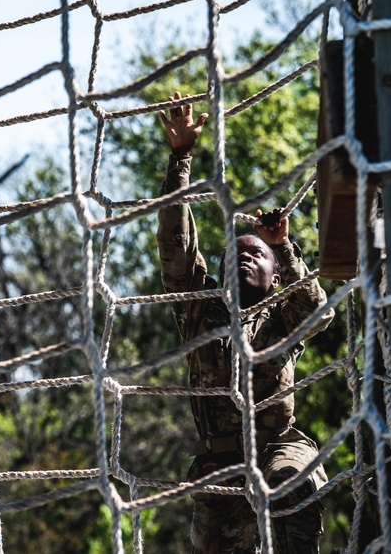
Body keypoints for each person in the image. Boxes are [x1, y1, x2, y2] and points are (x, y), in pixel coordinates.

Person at [155, 92, 334, 553]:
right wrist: (180, 158)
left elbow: (319, 313)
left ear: (275, 278)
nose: (240, 257)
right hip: (219, 464)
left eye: (254, 253)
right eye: (231, 253)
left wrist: (285, 248)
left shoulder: (283, 314)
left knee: (291, 486)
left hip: (279, 447)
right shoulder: (201, 311)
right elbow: (176, 246)